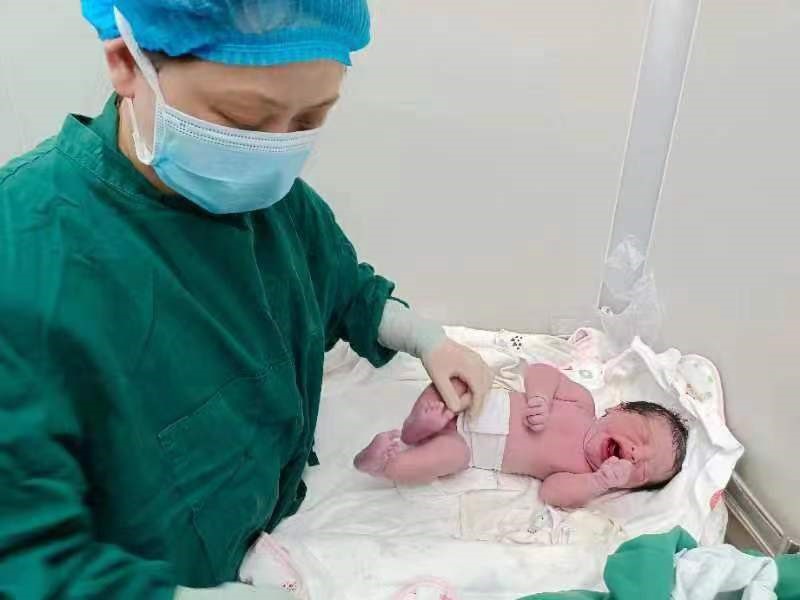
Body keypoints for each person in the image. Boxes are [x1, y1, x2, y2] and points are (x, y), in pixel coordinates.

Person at [0, 2, 493, 598]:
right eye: (243, 119)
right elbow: (26, 561)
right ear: (128, 62)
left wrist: (425, 339)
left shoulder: (268, 199)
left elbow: (338, 284)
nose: (273, 152)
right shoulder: (25, 257)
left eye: (309, 118)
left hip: (271, 526)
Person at [355, 363, 688, 508]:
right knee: (457, 384)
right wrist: (540, 397)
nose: (635, 455)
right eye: (642, 436)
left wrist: (598, 483)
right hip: (475, 403)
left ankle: (382, 463)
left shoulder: (582, 475)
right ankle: (417, 426)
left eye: (641, 471)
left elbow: (551, 493)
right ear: (619, 408)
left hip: (469, 447)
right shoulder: (581, 404)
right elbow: (540, 372)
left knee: (446, 459)